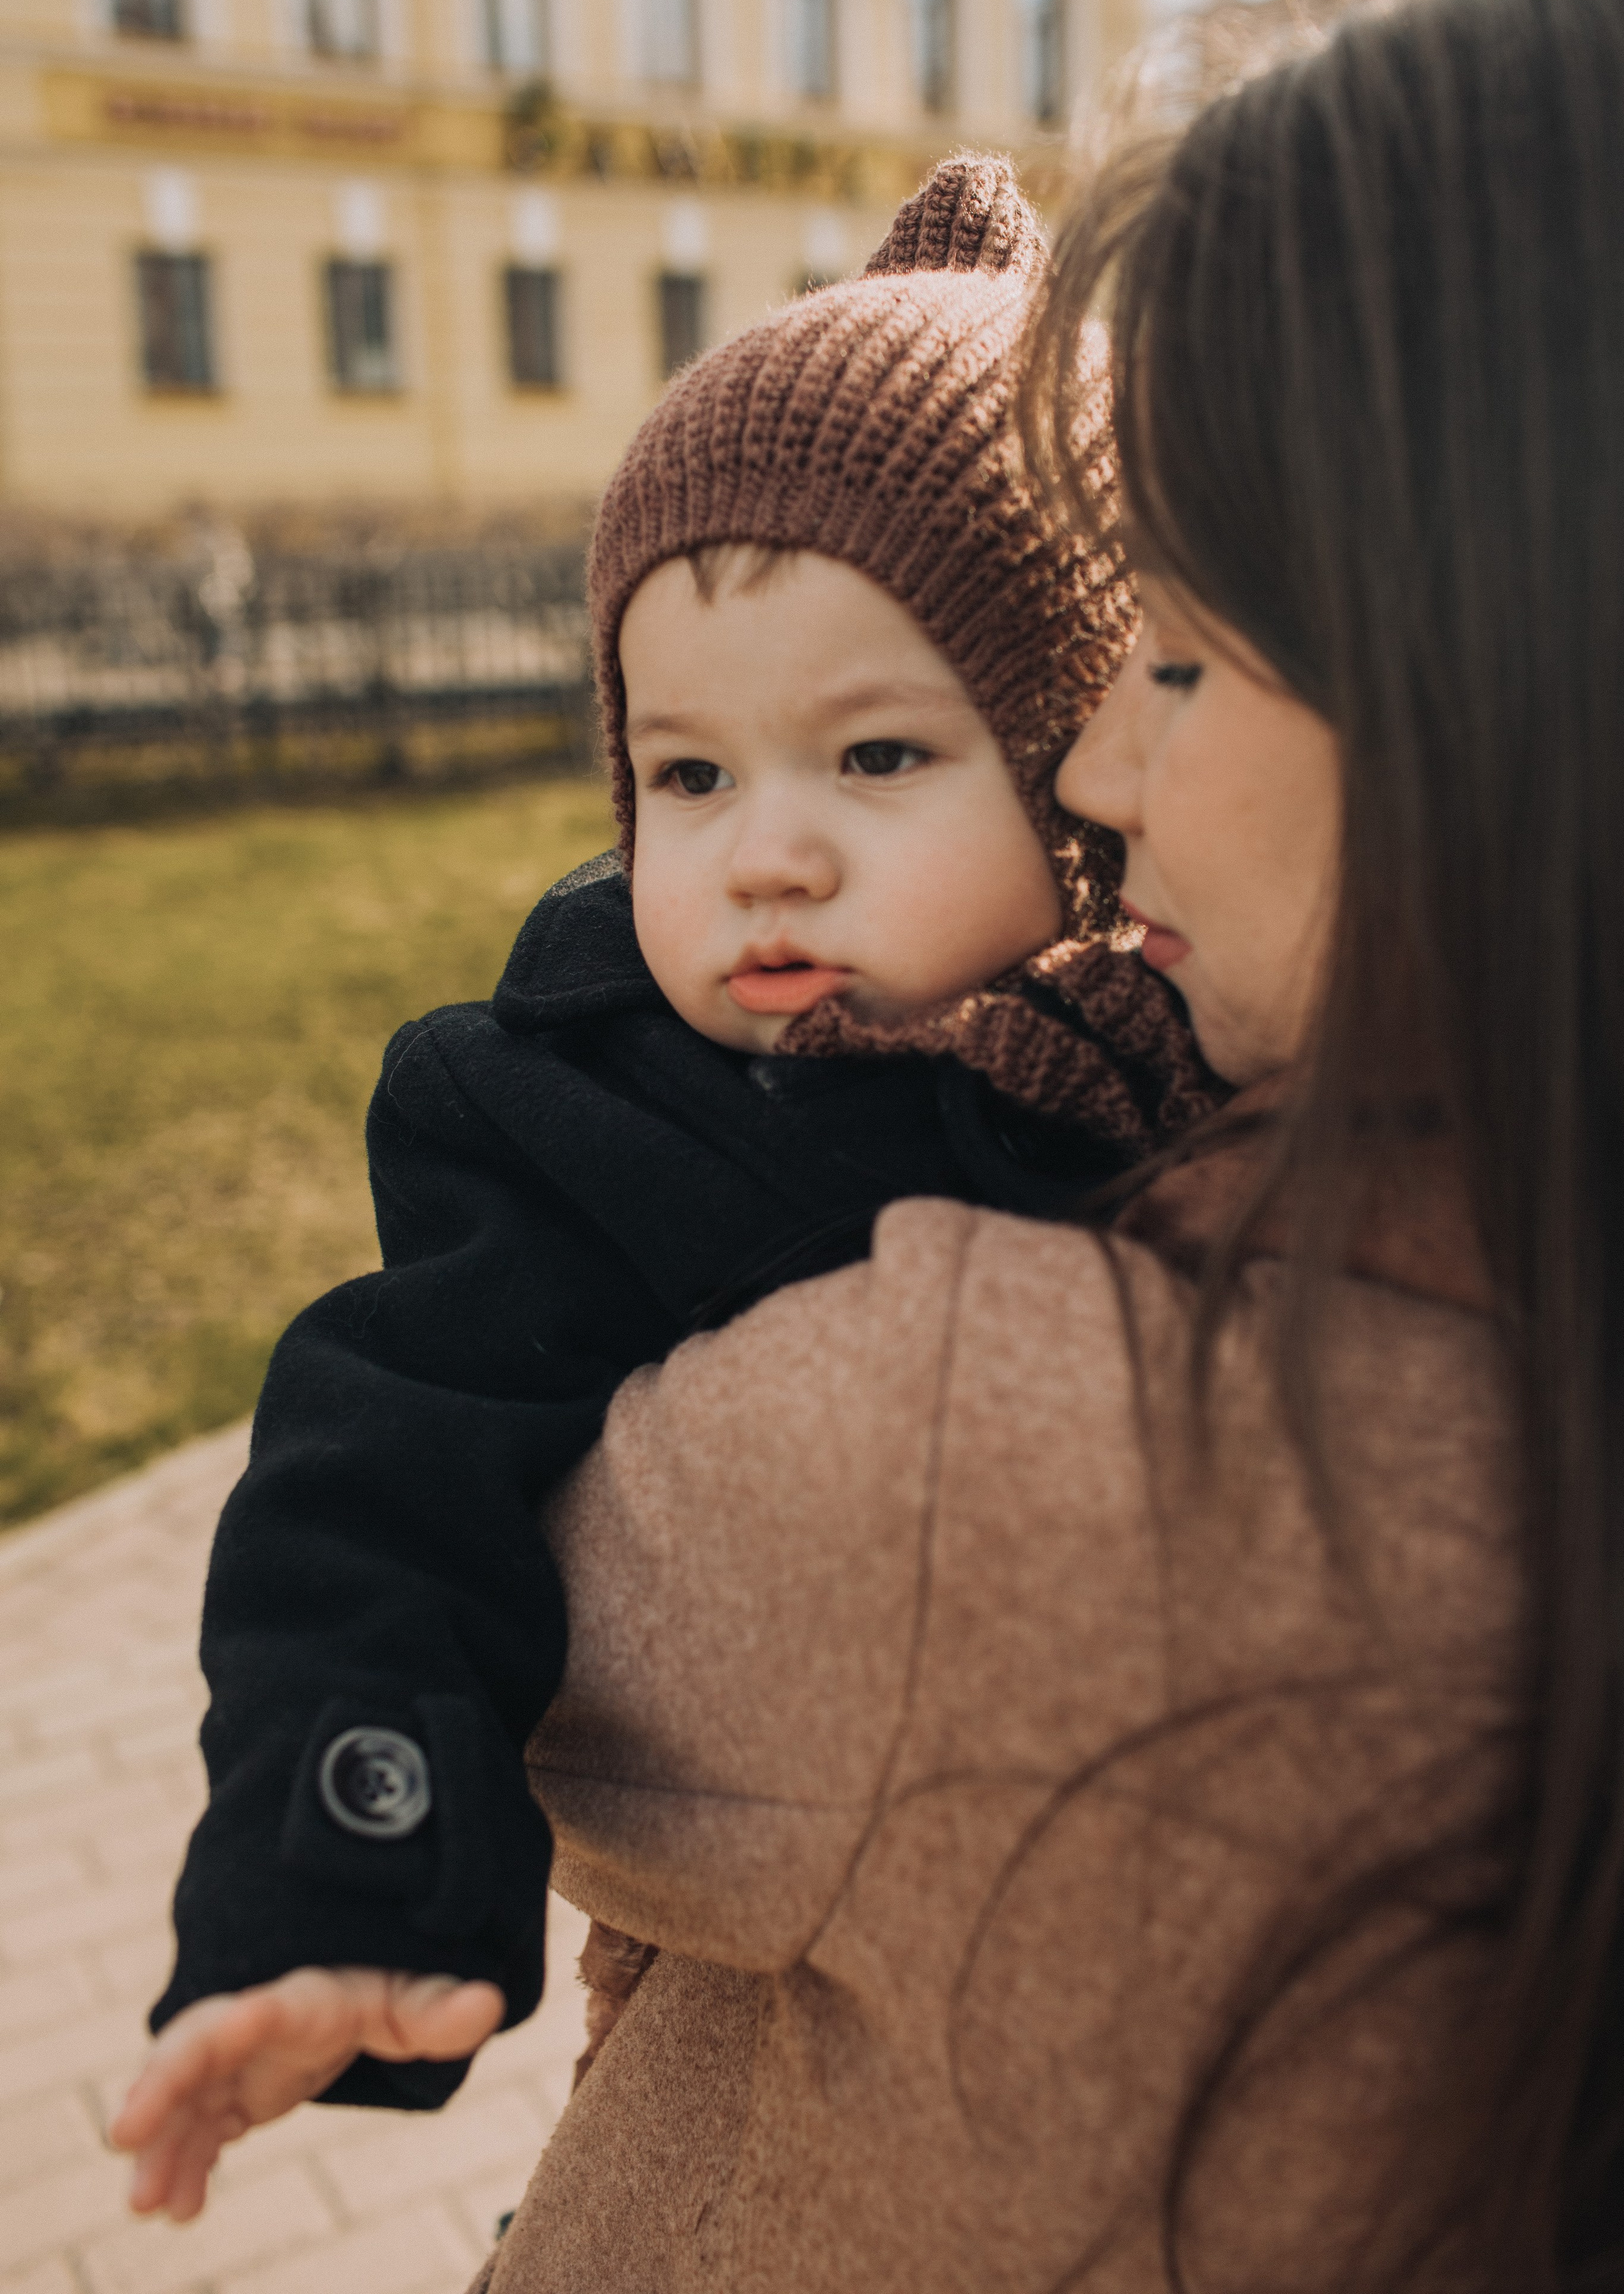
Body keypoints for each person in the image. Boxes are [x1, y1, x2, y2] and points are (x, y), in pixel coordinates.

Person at [449, 0, 1621, 2289]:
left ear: (1492, 684)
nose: (1094, 769)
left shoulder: (997, 1445)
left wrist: (599, 1033)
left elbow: (470, 1590)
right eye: (685, 774)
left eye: (1173, 656)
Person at [112, 157, 1222, 2213]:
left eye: (876, 759)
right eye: (689, 774)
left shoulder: (1193, 1046)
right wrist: (341, 1889)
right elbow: (373, 1497)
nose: (762, 855)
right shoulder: (575, 1114)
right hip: (758, 2044)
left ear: (1086, 776)